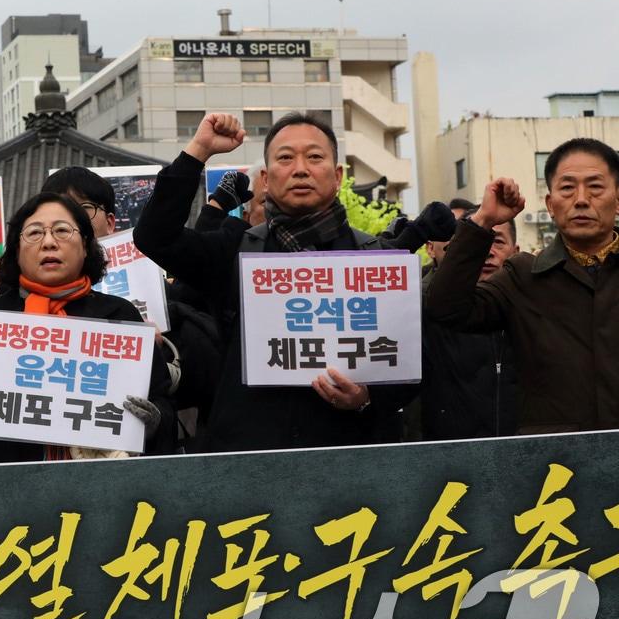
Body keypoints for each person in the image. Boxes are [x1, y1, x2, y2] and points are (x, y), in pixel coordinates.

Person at [134, 113, 413, 452]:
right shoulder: (234, 249)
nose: (300, 169)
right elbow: (154, 237)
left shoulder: (375, 258)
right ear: (264, 179)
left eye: (314, 157)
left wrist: (367, 397)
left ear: (337, 175)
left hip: (350, 460)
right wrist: (198, 151)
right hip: (248, 465)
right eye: (285, 157)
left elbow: (415, 357)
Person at [0, 193, 175, 462]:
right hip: (10, 485)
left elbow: (162, 400)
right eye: (35, 233)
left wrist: (153, 425)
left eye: (62, 231)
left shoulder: (119, 315)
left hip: (103, 485)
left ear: (85, 245)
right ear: (16, 251)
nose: (49, 242)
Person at [425, 138, 619, 433]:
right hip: (555, 466)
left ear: (617, 200)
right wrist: (483, 222)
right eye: (567, 188)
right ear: (550, 204)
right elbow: (446, 309)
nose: (581, 199)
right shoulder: (524, 276)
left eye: (595, 186)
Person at [42, 164, 220, 436]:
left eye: (84, 209)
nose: (72, 221)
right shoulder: (9, 298)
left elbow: (204, 379)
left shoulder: (157, 293)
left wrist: (164, 354)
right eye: (59, 210)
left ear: (111, 223)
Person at [418, 214, 519, 439]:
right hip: (453, 461)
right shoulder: (425, 311)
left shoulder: (533, 305)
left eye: (498, 242)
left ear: (516, 251)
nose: (487, 251)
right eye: (478, 242)